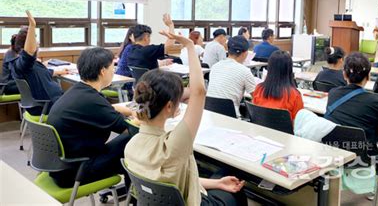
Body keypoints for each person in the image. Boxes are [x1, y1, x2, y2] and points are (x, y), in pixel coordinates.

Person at [124, 30, 247, 206]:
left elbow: (172, 183)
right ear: (168, 106)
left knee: (219, 178)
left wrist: (217, 184)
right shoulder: (174, 144)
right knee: (234, 188)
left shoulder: (132, 145)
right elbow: (198, 92)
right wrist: (190, 46)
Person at [48, 47, 133, 187]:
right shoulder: (93, 101)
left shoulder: (78, 92)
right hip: (77, 172)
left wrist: (125, 110)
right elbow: (128, 128)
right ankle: (138, 195)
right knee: (134, 139)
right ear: (103, 71)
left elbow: (101, 109)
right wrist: (139, 115)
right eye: (113, 67)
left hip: (60, 166)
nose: (114, 71)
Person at [326, 52, 378, 155]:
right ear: (368, 76)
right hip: (364, 156)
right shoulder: (376, 101)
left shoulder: (333, 93)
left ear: (344, 74)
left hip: (335, 152)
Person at [8, 11, 69, 115]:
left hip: (53, 101)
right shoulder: (21, 64)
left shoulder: (27, 64)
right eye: (35, 38)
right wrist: (32, 25)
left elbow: (40, 75)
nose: (38, 42)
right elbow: (29, 53)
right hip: (47, 105)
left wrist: (57, 71)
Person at [207, 36, 256, 118]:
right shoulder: (244, 71)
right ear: (245, 53)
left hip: (210, 115)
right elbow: (257, 98)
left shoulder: (215, 66)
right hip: (232, 118)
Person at [252, 50, 304, 122]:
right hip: (284, 132)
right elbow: (298, 122)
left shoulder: (259, 89)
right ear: (289, 69)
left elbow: (255, 112)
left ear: (270, 67)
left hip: (261, 130)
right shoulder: (295, 95)